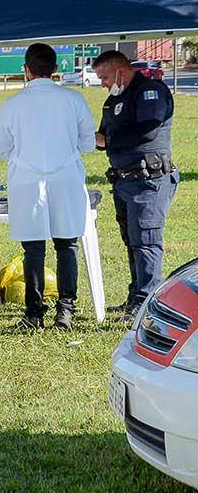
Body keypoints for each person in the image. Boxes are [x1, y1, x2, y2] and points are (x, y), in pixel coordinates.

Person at [0, 43, 96, 328]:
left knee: (33, 248)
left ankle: (34, 313)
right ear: (56, 68)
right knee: (67, 244)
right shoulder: (73, 99)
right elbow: (88, 143)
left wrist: (22, 157)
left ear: (25, 69)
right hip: (66, 177)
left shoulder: (13, 104)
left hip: (27, 179)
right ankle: (66, 309)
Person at [94, 49, 177, 316]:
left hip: (148, 180)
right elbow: (103, 135)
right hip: (123, 181)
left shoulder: (149, 91)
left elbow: (149, 128)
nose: (103, 83)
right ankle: (136, 297)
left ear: (120, 69)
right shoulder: (113, 101)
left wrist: (109, 141)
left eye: (105, 76)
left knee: (147, 240)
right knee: (132, 241)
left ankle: (148, 303)